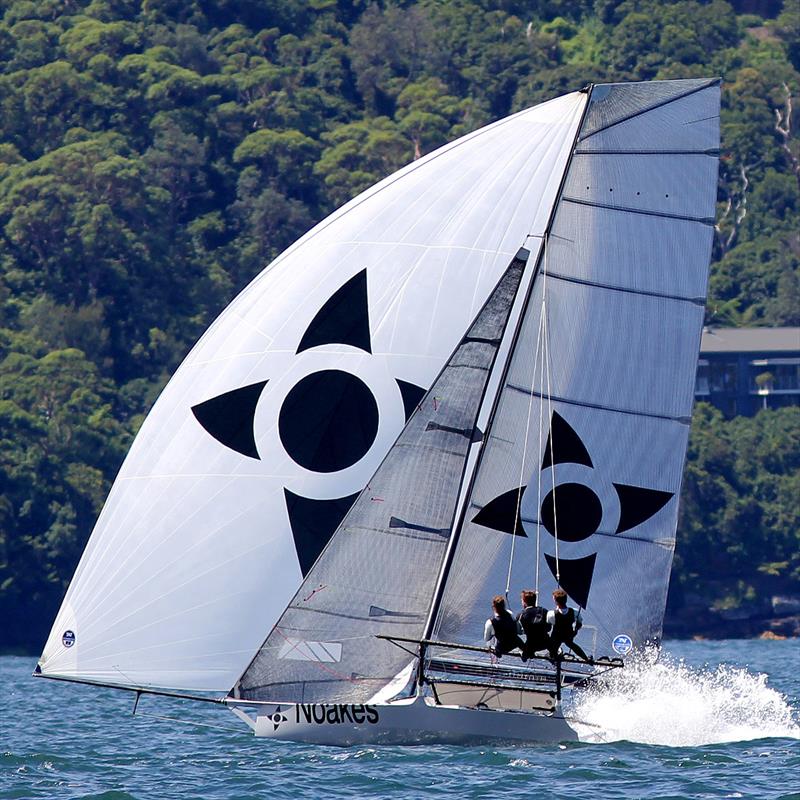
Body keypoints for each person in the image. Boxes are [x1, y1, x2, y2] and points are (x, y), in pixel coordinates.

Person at [547, 588, 591, 662]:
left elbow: (548, 626)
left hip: (556, 636)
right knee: (572, 645)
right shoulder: (575, 612)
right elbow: (579, 624)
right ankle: (586, 659)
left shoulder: (551, 614)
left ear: (555, 601)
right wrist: (575, 630)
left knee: (553, 649)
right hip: (569, 635)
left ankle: (554, 657)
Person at [517, 589, 550, 661]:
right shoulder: (544, 611)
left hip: (531, 644)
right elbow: (549, 628)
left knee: (524, 657)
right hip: (546, 642)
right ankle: (555, 653)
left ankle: (529, 654)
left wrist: (525, 630)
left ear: (524, 602)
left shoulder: (521, 615)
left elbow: (518, 632)